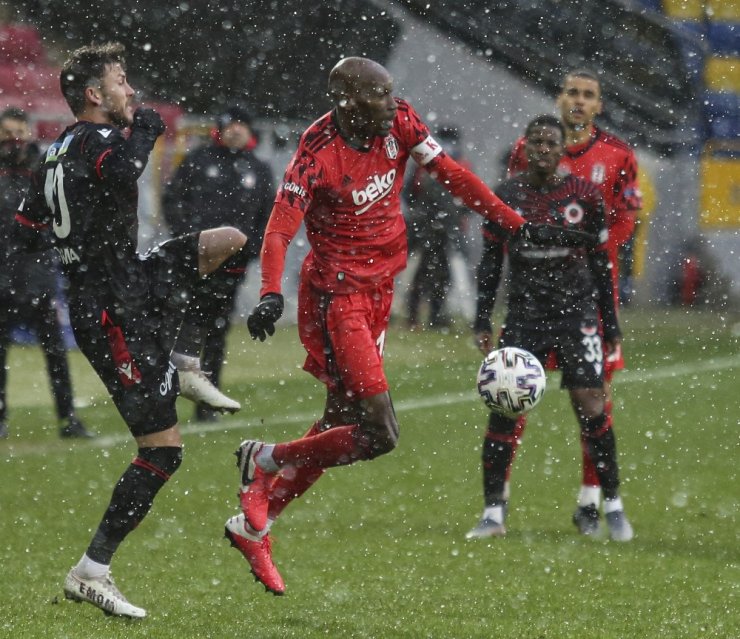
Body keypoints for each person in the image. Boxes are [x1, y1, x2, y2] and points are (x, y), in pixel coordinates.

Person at [223, 57, 594, 596]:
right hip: (338, 298)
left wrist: (516, 226)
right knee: (379, 433)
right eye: (379, 95)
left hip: (379, 290)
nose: (393, 103)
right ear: (348, 99)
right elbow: (280, 230)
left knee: (338, 422)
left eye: (392, 93)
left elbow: (453, 175)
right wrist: (270, 292)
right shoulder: (316, 154)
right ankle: (266, 458)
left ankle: (256, 523)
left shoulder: (398, 121)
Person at [11, 42, 249, 618]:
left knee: (229, 242)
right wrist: (146, 129)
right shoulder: (97, 141)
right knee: (163, 452)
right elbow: (123, 169)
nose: (132, 93)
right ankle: (92, 571)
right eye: (121, 82)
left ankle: (186, 363)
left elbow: (24, 223)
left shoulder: (55, 152)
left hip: (129, 280)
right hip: (112, 313)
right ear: (94, 95)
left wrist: (74, 250)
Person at [466, 114, 633, 541]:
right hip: (524, 316)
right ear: (525, 147)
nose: (542, 148)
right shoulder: (505, 195)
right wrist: (482, 317)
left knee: (592, 405)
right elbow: (490, 264)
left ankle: (611, 504)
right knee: (504, 406)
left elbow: (600, 262)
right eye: (536, 141)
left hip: (576, 314)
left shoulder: (585, 196)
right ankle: (492, 512)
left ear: (562, 151)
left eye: (550, 143)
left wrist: (610, 324)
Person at [507, 69, 642, 536]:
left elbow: (626, 219)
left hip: (588, 297)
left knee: (594, 397)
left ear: (598, 106)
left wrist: (587, 253)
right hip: (534, 299)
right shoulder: (528, 152)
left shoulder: (618, 155)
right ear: (559, 98)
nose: (579, 102)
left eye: (588, 96)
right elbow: (512, 214)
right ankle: (495, 507)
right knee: (515, 389)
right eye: (572, 93)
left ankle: (590, 500)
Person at [163, 104, 274, 421]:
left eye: (243, 125)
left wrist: (250, 250)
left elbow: (268, 217)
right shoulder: (198, 161)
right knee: (177, 325)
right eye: (231, 125)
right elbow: (173, 200)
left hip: (230, 269)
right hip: (192, 264)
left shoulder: (259, 170)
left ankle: (206, 399)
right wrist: (187, 242)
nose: (236, 130)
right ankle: (163, 395)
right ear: (220, 129)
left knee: (216, 330)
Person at [0, 107, 94, 439]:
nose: (13, 139)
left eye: (18, 132)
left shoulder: (45, 169)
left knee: (55, 352)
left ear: (28, 132)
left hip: (38, 275)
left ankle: (68, 418)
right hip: (3, 276)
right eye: (7, 132)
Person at [403, 124, 469, 329]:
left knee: (437, 274)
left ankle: (429, 316)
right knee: (425, 273)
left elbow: (467, 200)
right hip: (428, 227)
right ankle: (422, 316)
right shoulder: (425, 165)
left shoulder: (428, 164)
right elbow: (410, 194)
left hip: (439, 229)